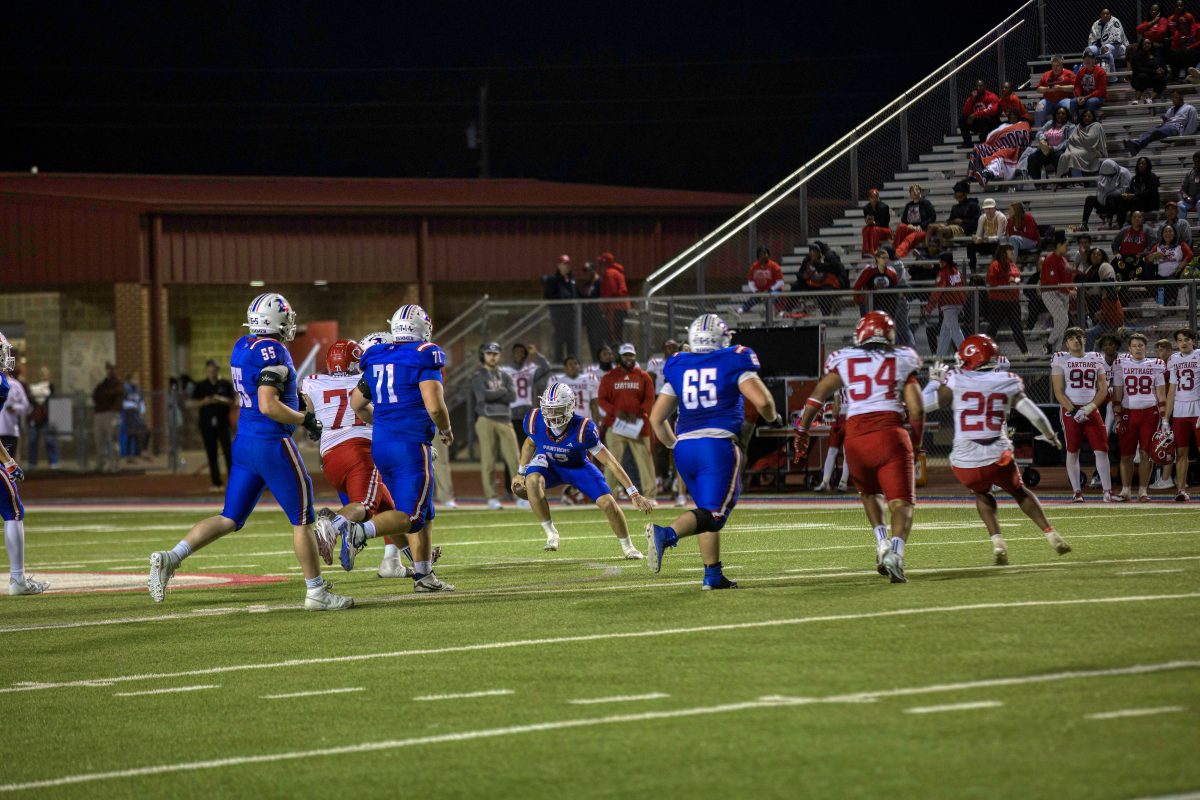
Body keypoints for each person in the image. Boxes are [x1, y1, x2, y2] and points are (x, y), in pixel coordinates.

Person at [146, 292, 350, 610]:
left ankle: (172, 557)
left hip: (245, 444)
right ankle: (316, 592)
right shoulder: (273, 351)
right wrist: (305, 419)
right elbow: (268, 404)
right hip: (272, 444)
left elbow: (265, 393)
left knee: (229, 518)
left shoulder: (243, 345)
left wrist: (296, 400)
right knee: (303, 519)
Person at [646, 314, 781, 589]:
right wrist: (773, 417)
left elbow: (656, 419)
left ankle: (713, 575)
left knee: (705, 512)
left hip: (685, 449)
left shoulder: (680, 363)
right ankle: (666, 534)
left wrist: (674, 445)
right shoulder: (733, 359)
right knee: (715, 516)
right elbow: (763, 402)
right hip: (716, 447)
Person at [793, 311, 924, 583]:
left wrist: (802, 429)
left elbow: (817, 397)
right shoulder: (902, 357)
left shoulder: (844, 359)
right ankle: (896, 553)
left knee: (869, 493)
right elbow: (917, 408)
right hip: (890, 434)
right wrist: (917, 440)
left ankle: (881, 542)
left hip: (856, 439)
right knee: (901, 503)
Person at [923, 335, 1071, 564]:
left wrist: (934, 381)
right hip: (998, 456)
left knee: (982, 493)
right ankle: (1051, 534)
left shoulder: (955, 379)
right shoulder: (1006, 380)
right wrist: (1050, 435)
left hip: (965, 462)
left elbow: (923, 405)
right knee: (1019, 491)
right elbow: (1033, 413)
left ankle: (998, 543)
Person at [343, 305, 454, 592]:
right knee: (411, 516)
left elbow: (356, 403)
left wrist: (383, 421)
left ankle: (424, 576)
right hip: (410, 444)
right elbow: (434, 406)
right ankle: (357, 531)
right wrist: (445, 429)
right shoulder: (424, 354)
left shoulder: (378, 355)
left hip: (382, 444)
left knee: (425, 513)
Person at [303, 337, 433, 581]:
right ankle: (334, 525)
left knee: (387, 511)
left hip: (329, 457)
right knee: (364, 506)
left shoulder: (313, 382)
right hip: (359, 451)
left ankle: (415, 560)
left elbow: (309, 418)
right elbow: (380, 410)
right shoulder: (369, 377)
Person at [512, 382, 652, 557]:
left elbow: (610, 462)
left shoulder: (583, 429)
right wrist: (520, 472)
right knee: (531, 480)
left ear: (570, 407)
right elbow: (529, 443)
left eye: (557, 409)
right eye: (548, 409)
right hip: (549, 465)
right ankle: (551, 533)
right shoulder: (535, 420)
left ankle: (628, 547)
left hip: (578, 468)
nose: (551, 415)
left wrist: (634, 493)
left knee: (608, 503)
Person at [0, 333, 47, 595]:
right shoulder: (2, 383)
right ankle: (17, 580)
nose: (5, 357)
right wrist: (8, 462)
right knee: (13, 510)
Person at [1051, 327, 1115, 501]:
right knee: (1073, 450)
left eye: (1079, 337)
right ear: (1066, 343)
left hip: (1091, 409)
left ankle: (1107, 492)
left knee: (1102, 450)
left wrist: (1089, 408)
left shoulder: (1096, 357)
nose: (1076, 340)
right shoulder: (1061, 358)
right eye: (1071, 338)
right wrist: (1073, 411)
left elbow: (1103, 388)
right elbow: (1058, 391)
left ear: (1085, 339)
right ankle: (1077, 492)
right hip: (1070, 409)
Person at [1111, 332, 1169, 501]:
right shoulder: (1121, 364)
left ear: (1146, 347)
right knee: (1126, 454)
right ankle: (1126, 490)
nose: (1138, 348)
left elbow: (1161, 395)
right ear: (1129, 348)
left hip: (1150, 413)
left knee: (1146, 454)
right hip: (1128, 413)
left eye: (1141, 345)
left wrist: (1164, 419)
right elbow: (1117, 394)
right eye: (1134, 346)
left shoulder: (1156, 364)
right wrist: (1117, 417)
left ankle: (1143, 491)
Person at [598, 343, 656, 500]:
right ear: (619, 357)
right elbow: (602, 400)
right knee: (612, 461)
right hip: (615, 425)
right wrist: (615, 411)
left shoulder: (643, 376)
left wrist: (640, 412)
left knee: (645, 460)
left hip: (638, 426)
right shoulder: (609, 377)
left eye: (631, 355)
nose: (628, 358)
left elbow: (649, 398)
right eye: (625, 355)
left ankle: (650, 495)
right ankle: (609, 495)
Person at [471, 341, 520, 511]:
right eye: (489, 354)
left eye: (495, 354)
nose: (492, 357)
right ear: (483, 355)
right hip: (486, 419)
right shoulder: (478, 375)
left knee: (515, 460)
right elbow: (482, 396)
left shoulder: (505, 375)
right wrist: (502, 392)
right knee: (489, 460)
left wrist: (495, 394)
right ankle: (492, 497)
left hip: (505, 420)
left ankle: (520, 495)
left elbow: (512, 396)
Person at [1164, 328, 1200, 500]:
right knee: (1181, 451)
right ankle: (1181, 490)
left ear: (1193, 341)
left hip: (1198, 407)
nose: (1183, 343)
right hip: (1179, 410)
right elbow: (1172, 390)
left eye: (1187, 339)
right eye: (1180, 340)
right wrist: (1166, 418)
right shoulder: (1173, 359)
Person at [191, 359, 234, 491]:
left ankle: (233, 482)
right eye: (210, 370)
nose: (212, 372)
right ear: (206, 371)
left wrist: (220, 399)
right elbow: (191, 403)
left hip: (223, 423)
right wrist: (205, 401)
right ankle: (216, 482)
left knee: (228, 452)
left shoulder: (225, 384)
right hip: (207, 424)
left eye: (214, 370)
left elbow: (232, 401)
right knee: (211, 453)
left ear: (218, 370)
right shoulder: (201, 386)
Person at [504, 342, 551, 452]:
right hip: (511, 411)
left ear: (525, 354)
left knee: (526, 444)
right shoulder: (505, 371)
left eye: (522, 352)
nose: (519, 354)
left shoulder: (530, 369)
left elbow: (546, 368)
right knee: (511, 445)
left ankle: (525, 463)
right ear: (512, 354)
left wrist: (536, 354)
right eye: (516, 352)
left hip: (526, 411)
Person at [1124, 90, 1199, 158]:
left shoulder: (1190, 108)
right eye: (1172, 97)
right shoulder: (1171, 109)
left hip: (1176, 128)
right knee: (1151, 130)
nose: (1173, 99)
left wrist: (1183, 136)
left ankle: (1137, 146)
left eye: (1175, 97)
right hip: (1166, 127)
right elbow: (1165, 122)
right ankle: (1137, 146)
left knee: (1157, 131)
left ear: (1181, 97)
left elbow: (1192, 126)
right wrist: (1164, 121)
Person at [985, 243, 1028, 354]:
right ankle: (985, 351)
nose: (1012, 252)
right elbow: (991, 280)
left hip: (1013, 301)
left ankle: (1025, 352)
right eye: (1009, 250)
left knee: (1017, 328)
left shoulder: (1012, 264)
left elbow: (1018, 278)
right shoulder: (995, 265)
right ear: (1003, 252)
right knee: (993, 328)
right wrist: (1007, 282)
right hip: (999, 301)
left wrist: (1015, 280)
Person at [968, 116, 1032, 188]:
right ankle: (985, 174)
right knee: (996, 155)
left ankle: (987, 174)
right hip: (1006, 154)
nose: (1012, 118)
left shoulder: (1023, 126)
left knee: (999, 156)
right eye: (1011, 117)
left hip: (1017, 157)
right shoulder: (1005, 126)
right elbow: (992, 136)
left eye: (1014, 116)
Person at [925, 252, 967, 357]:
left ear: (944, 262)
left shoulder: (942, 273)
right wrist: (963, 302)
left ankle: (967, 356)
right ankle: (939, 357)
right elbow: (963, 288)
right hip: (958, 304)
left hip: (948, 305)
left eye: (940, 261)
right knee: (945, 333)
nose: (939, 262)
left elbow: (937, 291)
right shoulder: (957, 272)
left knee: (955, 331)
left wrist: (929, 307)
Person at [1041, 232, 1076, 354]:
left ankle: (1058, 349)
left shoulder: (1063, 259)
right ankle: (1049, 343)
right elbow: (1053, 281)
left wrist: (1072, 288)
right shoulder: (1050, 259)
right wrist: (1068, 290)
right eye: (1065, 245)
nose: (1067, 247)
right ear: (1059, 245)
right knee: (1063, 320)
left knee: (1060, 323)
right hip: (1050, 293)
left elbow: (1066, 278)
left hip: (1063, 293)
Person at [1020, 106, 1076, 179]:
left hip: (1061, 150)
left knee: (1058, 157)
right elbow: (1039, 132)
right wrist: (1043, 140)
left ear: (1066, 115)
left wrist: (1054, 148)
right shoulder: (1050, 123)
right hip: (1046, 150)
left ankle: (1061, 181)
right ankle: (1039, 182)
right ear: (1055, 115)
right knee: (1032, 158)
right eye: (1058, 113)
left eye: (1063, 113)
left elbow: (1069, 142)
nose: (1060, 115)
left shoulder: (1071, 126)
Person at [542, 254, 577, 362]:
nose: (566, 266)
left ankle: (572, 364)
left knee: (571, 343)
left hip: (570, 318)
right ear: (559, 265)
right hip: (559, 318)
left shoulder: (571, 279)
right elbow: (548, 296)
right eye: (563, 264)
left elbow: (575, 294)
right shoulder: (554, 280)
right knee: (559, 342)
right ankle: (558, 365)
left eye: (567, 264)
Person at [814, 390, 851, 493]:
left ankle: (831, 482)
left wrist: (834, 419)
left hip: (845, 418)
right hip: (846, 418)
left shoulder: (839, 383)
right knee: (838, 451)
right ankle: (836, 482)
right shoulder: (844, 383)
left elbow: (837, 405)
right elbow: (837, 403)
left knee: (837, 451)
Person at [91, 362, 123, 473]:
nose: (110, 371)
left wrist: (105, 396)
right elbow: (95, 395)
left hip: (112, 413)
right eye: (108, 369)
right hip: (99, 413)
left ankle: (115, 465)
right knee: (99, 440)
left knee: (113, 440)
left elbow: (116, 393)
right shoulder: (102, 384)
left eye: (112, 368)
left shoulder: (118, 383)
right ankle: (101, 465)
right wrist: (105, 396)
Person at [1081, 159, 1131, 230]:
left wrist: (1109, 193)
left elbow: (1124, 189)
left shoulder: (1124, 172)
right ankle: (1084, 224)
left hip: (1118, 202)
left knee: (1110, 196)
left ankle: (1109, 223)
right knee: (1089, 199)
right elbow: (1100, 189)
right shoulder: (1104, 173)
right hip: (1105, 200)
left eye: (1110, 175)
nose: (1109, 177)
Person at [1057, 108, 1107, 177]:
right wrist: (1078, 140)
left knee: (1074, 155)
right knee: (1064, 156)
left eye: (1089, 116)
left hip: (1092, 151)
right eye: (1085, 116)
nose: (1087, 118)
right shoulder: (1079, 126)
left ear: (1093, 117)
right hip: (1078, 150)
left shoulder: (1096, 125)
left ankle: (1078, 179)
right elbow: (1071, 139)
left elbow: (1090, 140)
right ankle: (1064, 178)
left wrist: (1077, 140)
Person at [25, 366, 58, 470]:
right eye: (41, 373)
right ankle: (32, 463)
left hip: (47, 417)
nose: (43, 375)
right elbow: (30, 398)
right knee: (33, 440)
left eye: (45, 373)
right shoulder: (33, 386)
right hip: (35, 417)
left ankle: (54, 463)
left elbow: (51, 398)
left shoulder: (51, 386)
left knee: (50, 440)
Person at [736, 246, 785, 315]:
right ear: (758, 256)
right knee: (754, 299)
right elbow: (750, 282)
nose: (764, 256)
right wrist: (756, 291)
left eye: (765, 253)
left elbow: (780, 282)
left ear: (768, 255)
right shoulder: (754, 266)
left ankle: (775, 313)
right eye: (761, 254)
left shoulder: (774, 266)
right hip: (760, 291)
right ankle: (740, 311)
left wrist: (769, 290)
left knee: (769, 298)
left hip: (774, 290)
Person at [892, 184, 936, 257]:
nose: (914, 191)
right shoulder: (908, 205)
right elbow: (903, 220)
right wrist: (909, 225)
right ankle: (894, 249)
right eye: (912, 190)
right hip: (911, 228)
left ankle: (898, 253)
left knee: (911, 236)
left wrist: (920, 226)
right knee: (901, 227)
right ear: (910, 194)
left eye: (916, 190)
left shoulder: (926, 203)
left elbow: (933, 217)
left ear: (920, 192)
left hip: (922, 230)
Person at [597, 251, 630, 346]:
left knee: (613, 335)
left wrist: (603, 306)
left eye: (601, 263)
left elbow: (610, 292)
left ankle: (616, 352)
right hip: (621, 307)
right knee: (618, 333)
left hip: (615, 307)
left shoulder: (609, 273)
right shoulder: (617, 272)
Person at [1034, 55, 1076, 127]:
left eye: (1057, 65)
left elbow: (1074, 87)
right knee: (1039, 108)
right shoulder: (1046, 74)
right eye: (1053, 66)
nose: (1055, 68)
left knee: (1069, 106)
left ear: (1062, 64)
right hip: (1048, 100)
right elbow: (1038, 88)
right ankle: (1039, 130)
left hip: (1063, 100)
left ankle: (1069, 128)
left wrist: (1060, 88)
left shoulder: (1069, 73)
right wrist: (1047, 89)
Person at [578, 261, 608, 359]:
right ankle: (595, 361)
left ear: (594, 270)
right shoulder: (587, 285)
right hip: (589, 319)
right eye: (585, 271)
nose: (587, 273)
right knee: (592, 342)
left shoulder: (600, 282)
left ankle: (601, 361)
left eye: (589, 271)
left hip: (598, 317)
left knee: (599, 342)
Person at [969, 197, 1007, 272]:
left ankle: (996, 268)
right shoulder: (982, 218)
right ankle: (973, 268)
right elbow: (979, 234)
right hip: (987, 242)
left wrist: (985, 239)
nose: (988, 211)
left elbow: (999, 237)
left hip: (1000, 243)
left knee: (995, 245)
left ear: (995, 208)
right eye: (986, 208)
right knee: (970, 246)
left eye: (990, 208)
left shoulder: (1001, 217)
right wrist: (976, 238)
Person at [1088, 8, 1129, 78]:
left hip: (1118, 47)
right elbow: (1092, 38)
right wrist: (1096, 45)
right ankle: (1089, 75)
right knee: (1088, 50)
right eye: (1103, 14)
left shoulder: (1114, 21)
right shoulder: (1096, 24)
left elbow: (1116, 39)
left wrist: (1103, 46)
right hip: (1101, 47)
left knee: (1106, 49)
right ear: (1100, 15)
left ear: (1110, 15)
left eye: (1107, 14)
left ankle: (1112, 77)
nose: (1105, 15)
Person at [959, 80, 1000, 148]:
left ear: (984, 87)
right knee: (962, 120)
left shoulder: (991, 96)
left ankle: (983, 140)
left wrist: (975, 114)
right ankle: (967, 143)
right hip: (978, 122)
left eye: (980, 86)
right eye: (977, 86)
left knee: (985, 119)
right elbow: (965, 112)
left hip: (991, 123)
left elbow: (992, 111)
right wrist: (972, 99)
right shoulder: (972, 98)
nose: (978, 88)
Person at [1129, 36, 1168, 103]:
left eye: (1149, 43)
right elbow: (1138, 69)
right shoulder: (1137, 55)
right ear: (1141, 45)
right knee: (1144, 76)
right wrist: (1154, 71)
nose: (1147, 45)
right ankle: (1136, 98)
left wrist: (1162, 70)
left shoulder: (1156, 54)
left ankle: (1150, 98)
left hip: (1153, 78)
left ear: (1151, 45)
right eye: (1145, 43)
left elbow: (1163, 66)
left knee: (1163, 79)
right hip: (1139, 79)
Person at [1071, 48, 1108, 118]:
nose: (1087, 60)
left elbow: (1100, 91)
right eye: (1085, 59)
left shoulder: (1101, 72)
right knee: (1073, 102)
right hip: (1083, 97)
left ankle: (1089, 121)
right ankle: (1075, 121)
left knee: (1090, 102)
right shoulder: (1081, 71)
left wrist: (1086, 98)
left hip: (1099, 97)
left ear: (1094, 60)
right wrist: (1079, 96)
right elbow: (1077, 86)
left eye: (1090, 58)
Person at [120, 372, 148, 461]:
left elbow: (141, 401)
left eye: (137, 379)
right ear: (129, 380)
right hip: (129, 414)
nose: (136, 381)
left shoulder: (138, 390)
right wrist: (133, 405)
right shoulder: (125, 389)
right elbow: (123, 402)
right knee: (131, 434)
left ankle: (142, 452)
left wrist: (142, 411)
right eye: (134, 379)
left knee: (145, 431)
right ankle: (130, 456)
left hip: (137, 414)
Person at [860, 188, 892, 256]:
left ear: (878, 197)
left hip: (884, 229)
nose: (874, 199)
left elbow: (885, 223)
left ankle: (873, 251)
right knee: (865, 229)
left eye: (876, 197)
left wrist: (875, 223)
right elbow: (867, 219)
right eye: (872, 197)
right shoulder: (866, 208)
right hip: (873, 228)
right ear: (869, 198)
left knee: (874, 229)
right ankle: (866, 251)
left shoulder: (884, 207)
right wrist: (868, 221)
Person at [1179, 152, 1200, 220]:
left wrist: (1197, 197)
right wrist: (1187, 198)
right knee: (1180, 204)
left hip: (1199, 200)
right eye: (1195, 162)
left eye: (1199, 161)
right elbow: (1182, 189)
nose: (1197, 163)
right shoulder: (1189, 173)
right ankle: (1182, 225)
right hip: (1191, 200)